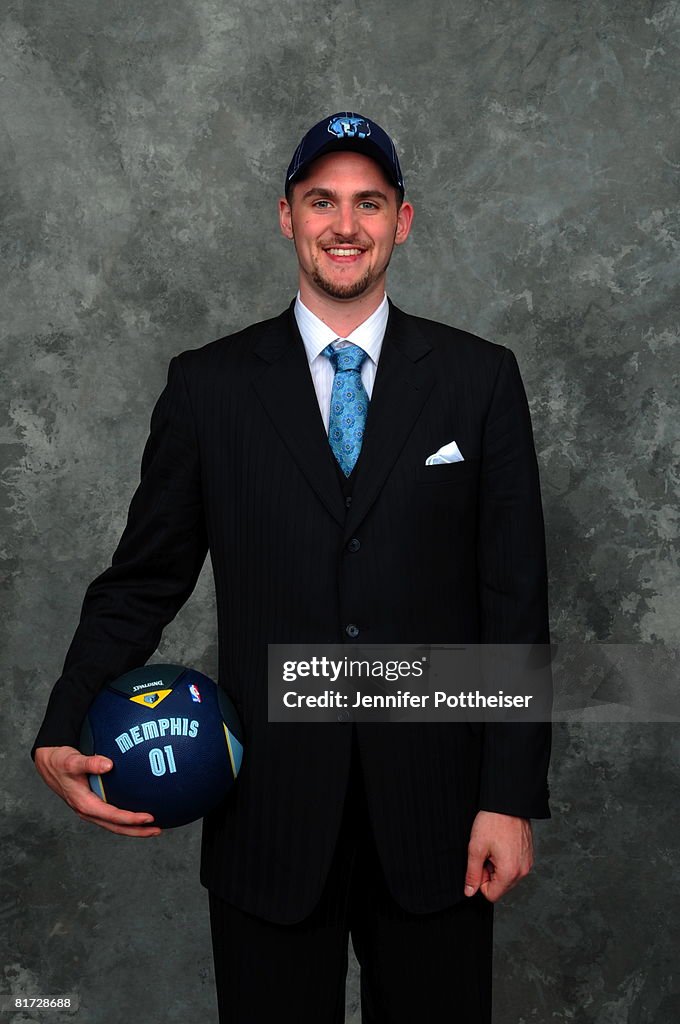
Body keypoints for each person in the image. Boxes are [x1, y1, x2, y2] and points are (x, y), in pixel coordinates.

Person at [32, 111, 551, 1023]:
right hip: (268, 815)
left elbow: (513, 601)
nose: (344, 225)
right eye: (322, 201)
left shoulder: (480, 379)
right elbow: (146, 578)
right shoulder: (208, 386)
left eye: (368, 202)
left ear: (404, 219)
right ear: (286, 216)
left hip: (437, 819)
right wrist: (64, 719)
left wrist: (507, 798)